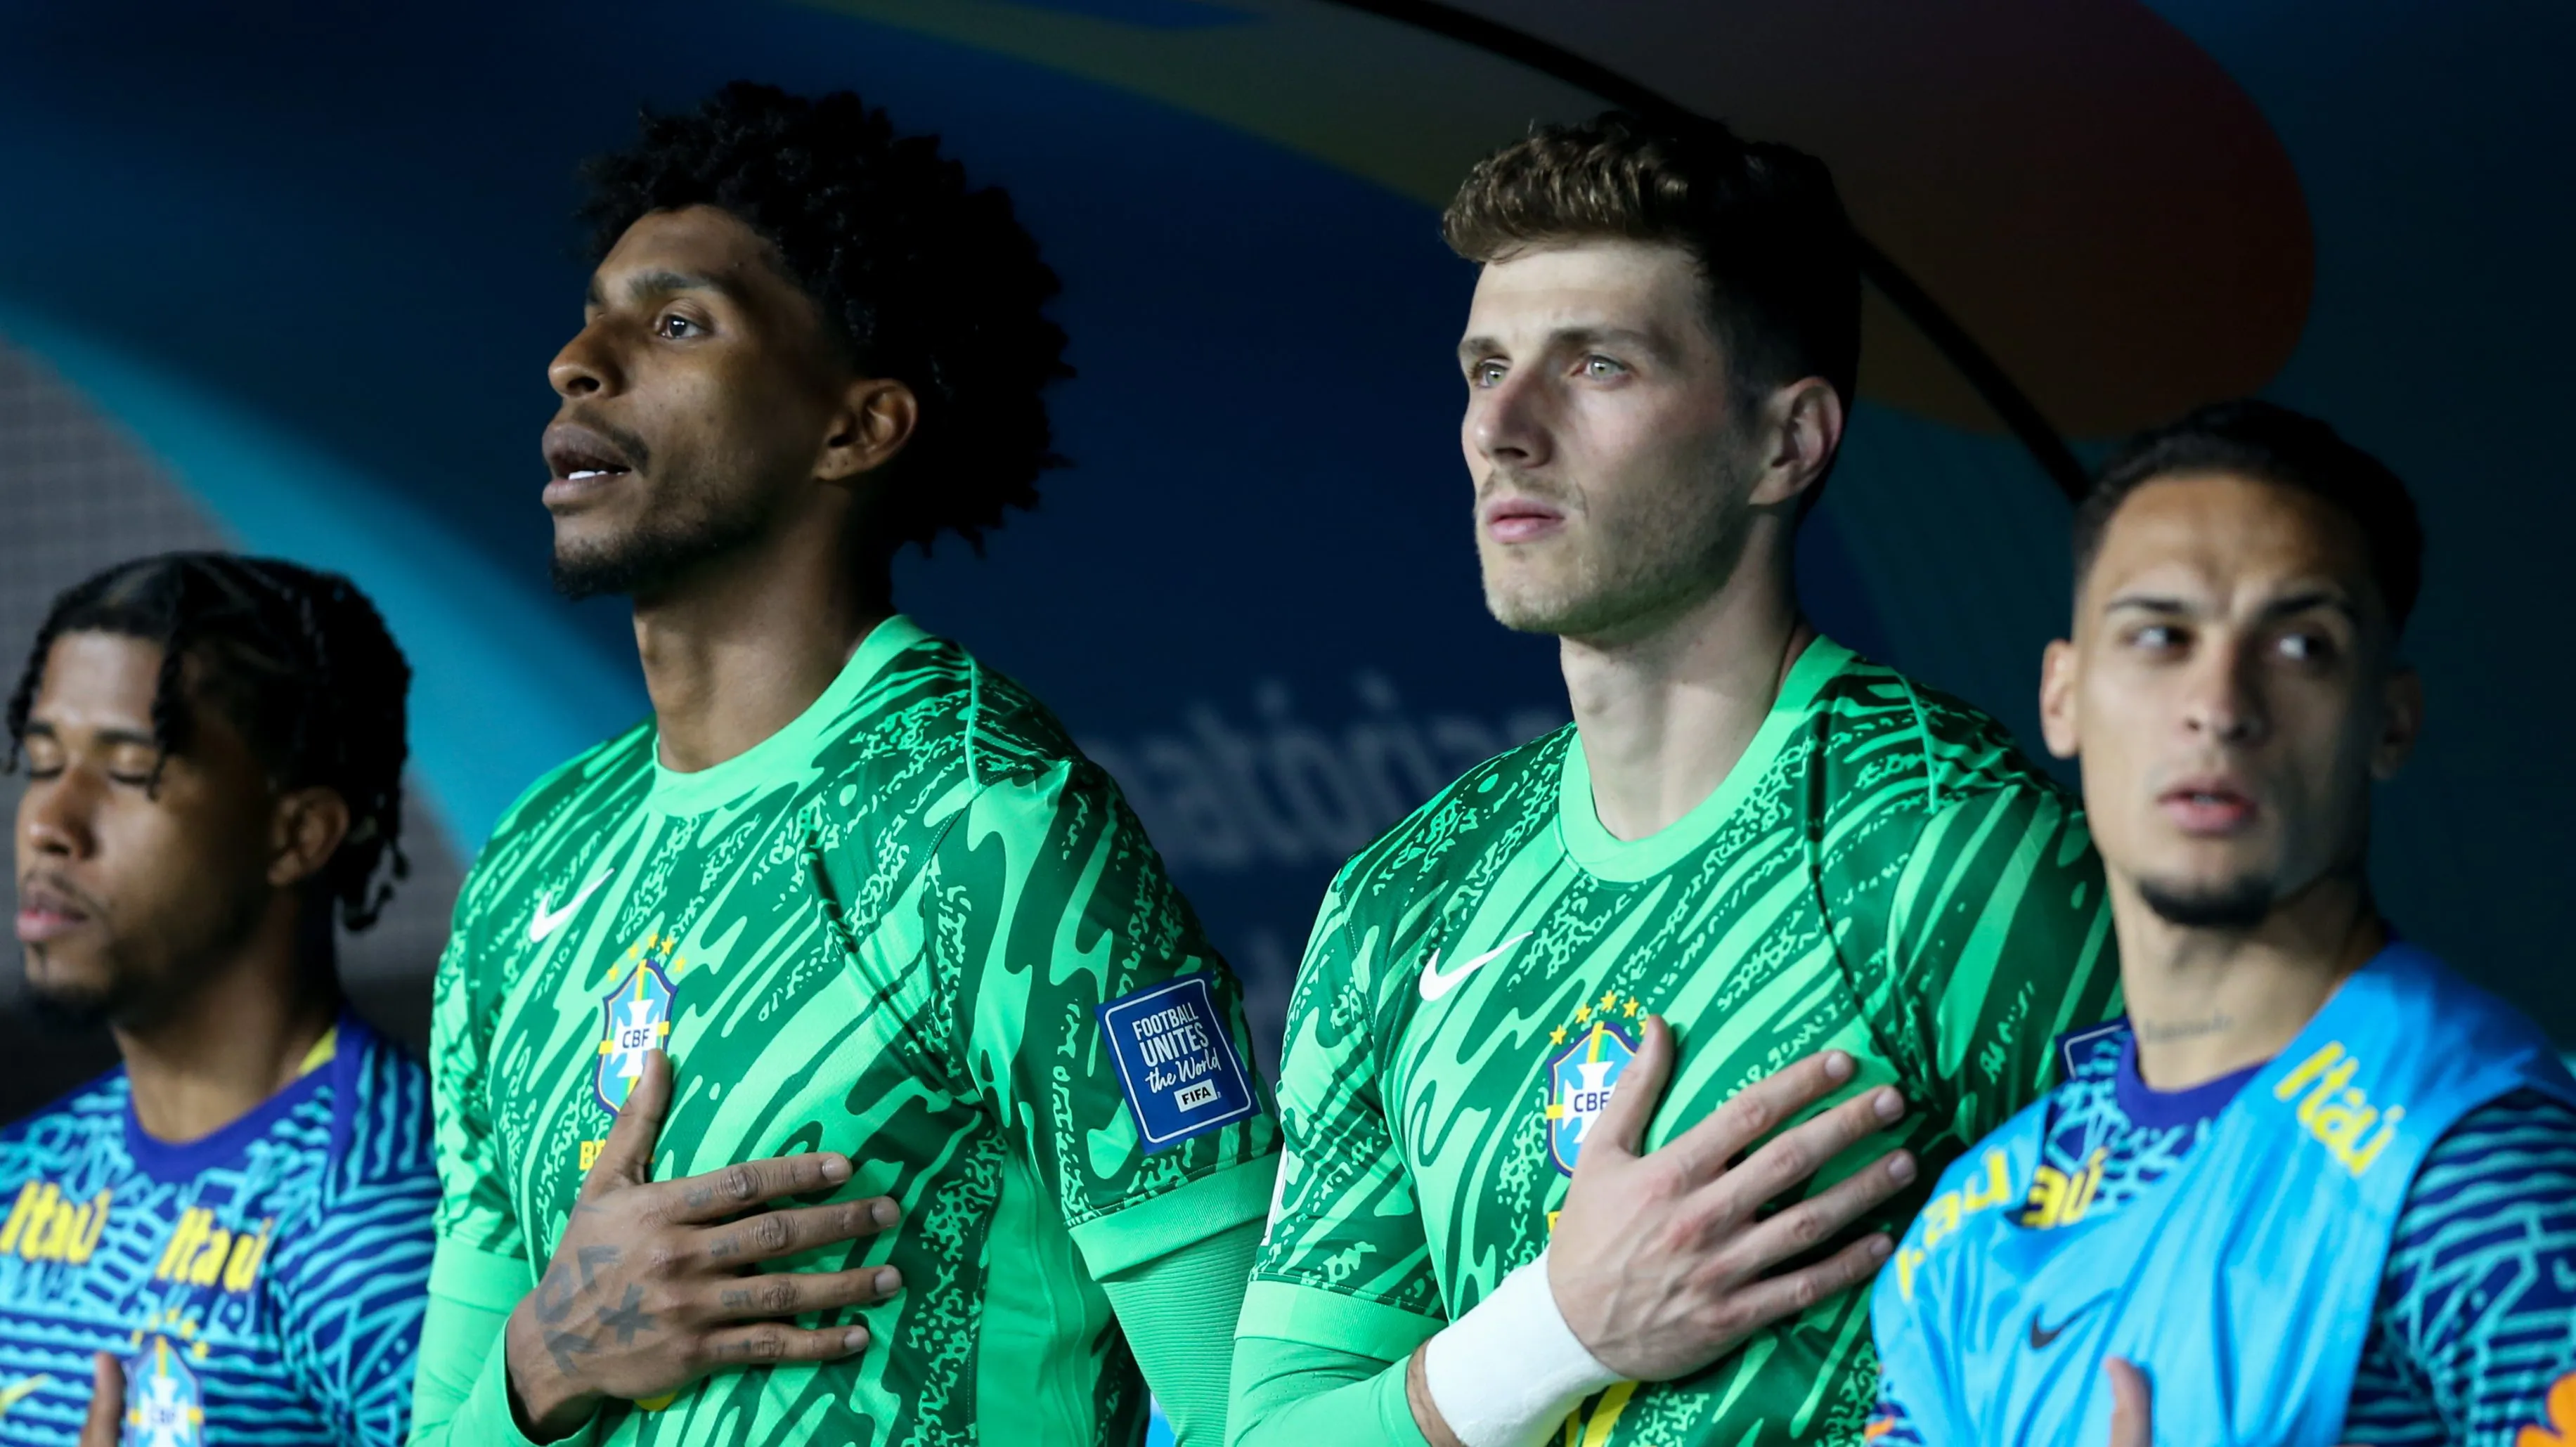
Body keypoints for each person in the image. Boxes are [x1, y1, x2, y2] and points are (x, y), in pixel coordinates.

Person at [1228, 112, 2121, 1447]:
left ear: (1787, 442)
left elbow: (2204, 1337)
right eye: (1486, 368)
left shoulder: (1957, 854)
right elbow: (1271, 1431)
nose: (1504, 429)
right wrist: (1558, 1329)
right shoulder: (1402, 898)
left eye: (1598, 364)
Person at [407, 83, 1279, 1447]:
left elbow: (1268, 1412)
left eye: (678, 323)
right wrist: (543, 1362)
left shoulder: (993, 822)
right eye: (592, 317)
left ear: (855, 428)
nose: (577, 362)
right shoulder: (533, 856)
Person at [1869, 401, 2576, 1445]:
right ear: (2062, 694)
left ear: (2389, 719)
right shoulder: (1973, 1221)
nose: (2219, 702)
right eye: (2160, 636)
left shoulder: (2475, 1165)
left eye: (2299, 644)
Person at [0, 553, 437, 1446]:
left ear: (297, 835)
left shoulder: (378, 1224)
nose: (49, 823)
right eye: (43, 763)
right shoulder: (21, 1175)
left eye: (130, 772)